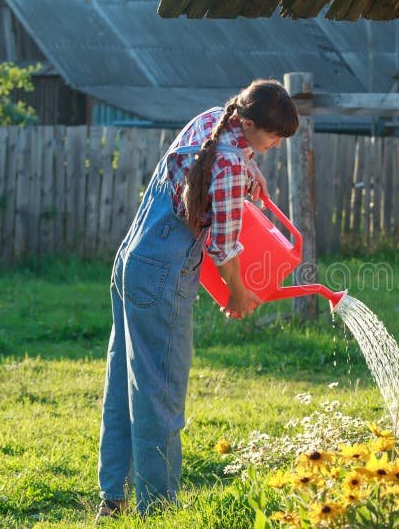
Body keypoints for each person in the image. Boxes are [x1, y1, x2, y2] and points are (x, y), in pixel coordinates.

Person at [95, 79, 299, 520]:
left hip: (131, 261)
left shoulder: (213, 121)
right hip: (162, 275)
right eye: (273, 137)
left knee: (123, 384)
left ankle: (112, 500)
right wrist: (240, 295)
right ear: (246, 123)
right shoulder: (226, 165)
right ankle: (159, 511)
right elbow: (224, 250)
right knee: (160, 395)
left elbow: (223, 162)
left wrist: (252, 166)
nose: (277, 145)